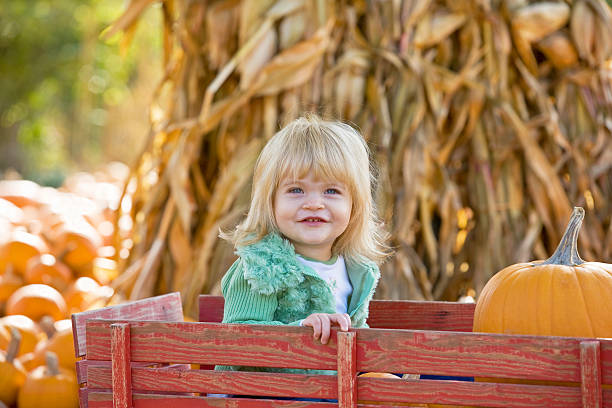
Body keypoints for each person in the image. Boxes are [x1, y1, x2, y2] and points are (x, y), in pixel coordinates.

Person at [216, 114, 389, 381]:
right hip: (265, 396)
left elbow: (357, 338)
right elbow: (237, 340)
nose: (314, 204)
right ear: (270, 201)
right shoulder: (261, 267)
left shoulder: (357, 271)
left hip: (332, 393)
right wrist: (299, 330)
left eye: (331, 191)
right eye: (296, 190)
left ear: (354, 205)